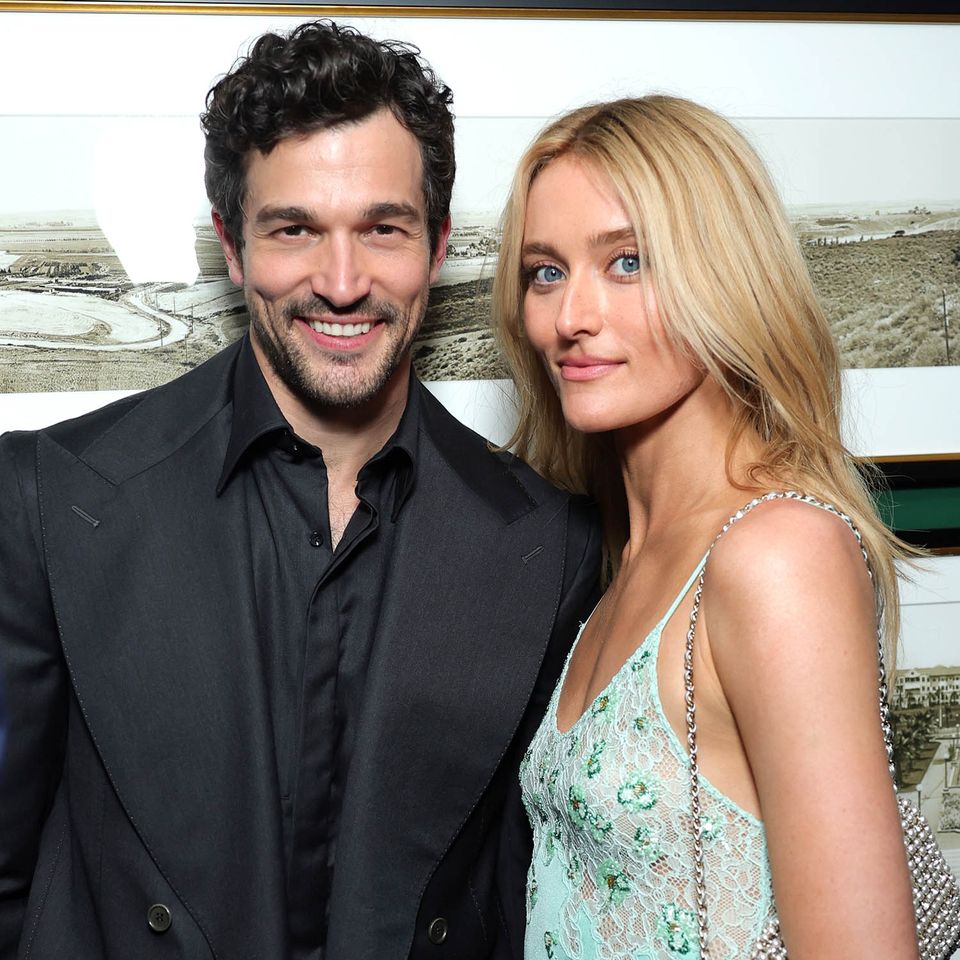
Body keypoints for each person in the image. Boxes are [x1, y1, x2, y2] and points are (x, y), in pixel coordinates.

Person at [0, 21, 600, 960]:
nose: (343, 281)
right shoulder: (50, 499)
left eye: (383, 228)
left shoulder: (553, 542)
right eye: (294, 230)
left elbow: (517, 894)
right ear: (232, 249)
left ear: (437, 245)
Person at [492, 96, 919, 959]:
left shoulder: (777, 554)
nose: (571, 316)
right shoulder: (622, 555)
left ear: (722, 273)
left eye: (628, 262)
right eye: (545, 271)